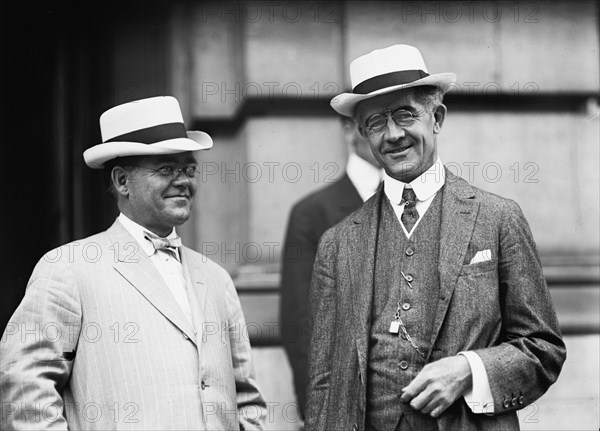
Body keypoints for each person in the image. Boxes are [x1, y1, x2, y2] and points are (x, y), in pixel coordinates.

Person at [305, 44, 566, 431]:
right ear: (362, 133)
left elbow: (543, 348)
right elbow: (323, 382)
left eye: (405, 114)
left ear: (437, 117)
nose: (393, 135)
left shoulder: (497, 218)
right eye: (376, 122)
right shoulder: (337, 243)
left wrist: (469, 369)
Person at [0, 96, 266, 430]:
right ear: (122, 181)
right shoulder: (69, 267)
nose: (184, 180)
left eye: (189, 169)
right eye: (166, 169)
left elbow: (247, 400)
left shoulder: (216, 278)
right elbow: (25, 389)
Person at [280, 115, 383, 420]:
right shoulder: (312, 214)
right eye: (374, 122)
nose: (390, 135)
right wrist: (317, 410)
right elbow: (299, 320)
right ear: (350, 130)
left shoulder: (420, 205)